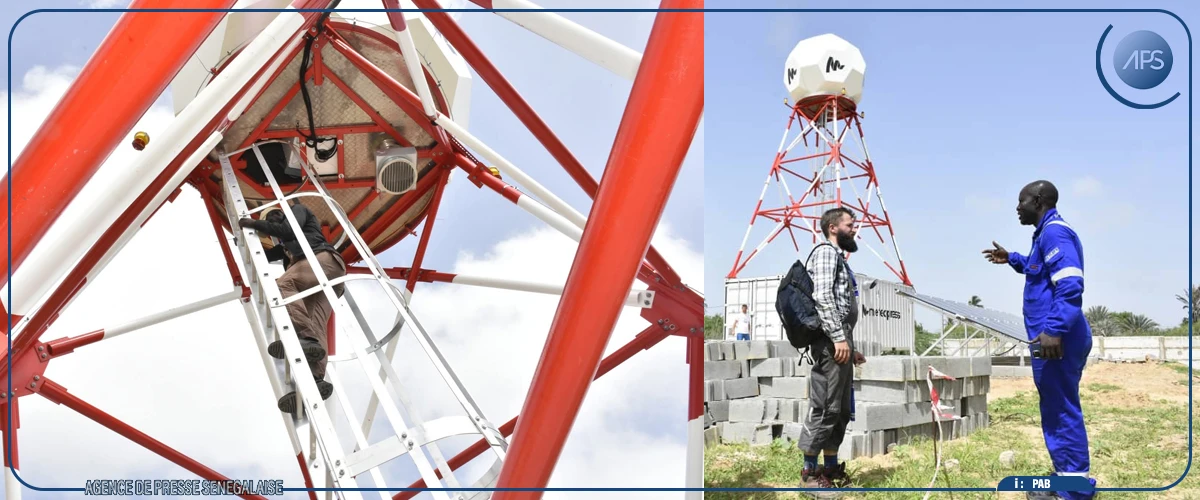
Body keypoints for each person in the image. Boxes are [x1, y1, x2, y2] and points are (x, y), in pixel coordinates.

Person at [982, 180, 1096, 500]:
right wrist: (1012, 258)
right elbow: (1038, 270)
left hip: (1057, 339)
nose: (1017, 208)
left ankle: (1073, 491)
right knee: (1056, 406)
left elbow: (1070, 283)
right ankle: (1068, 477)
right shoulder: (1044, 235)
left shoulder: (1055, 233)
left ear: (1038, 201)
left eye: (1022, 201)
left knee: (1061, 409)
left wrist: (1054, 329)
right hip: (1052, 338)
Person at [240, 202, 347, 414]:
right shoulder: (286, 249)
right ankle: (315, 380)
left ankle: (305, 337)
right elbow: (263, 256)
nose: (271, 222)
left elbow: (288, 230)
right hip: (328, 277)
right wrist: (242, 241)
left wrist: (253, 223)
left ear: (280, 213)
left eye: (272, 217)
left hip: (321, 261)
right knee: (315, 325)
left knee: (282, 286)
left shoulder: (297, 211)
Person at [797, 207, 867, 495]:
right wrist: (838, 338)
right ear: (833, 227)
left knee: (840, 411)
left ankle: (830, 468)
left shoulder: (839, 257)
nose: (854, 229)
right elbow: (823, 297)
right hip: (829, 344)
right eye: (850, 224)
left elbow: (841, 307)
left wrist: (851, 346)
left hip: (839, 342)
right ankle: (809, 474)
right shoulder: (826, 252)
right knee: (825, 407)